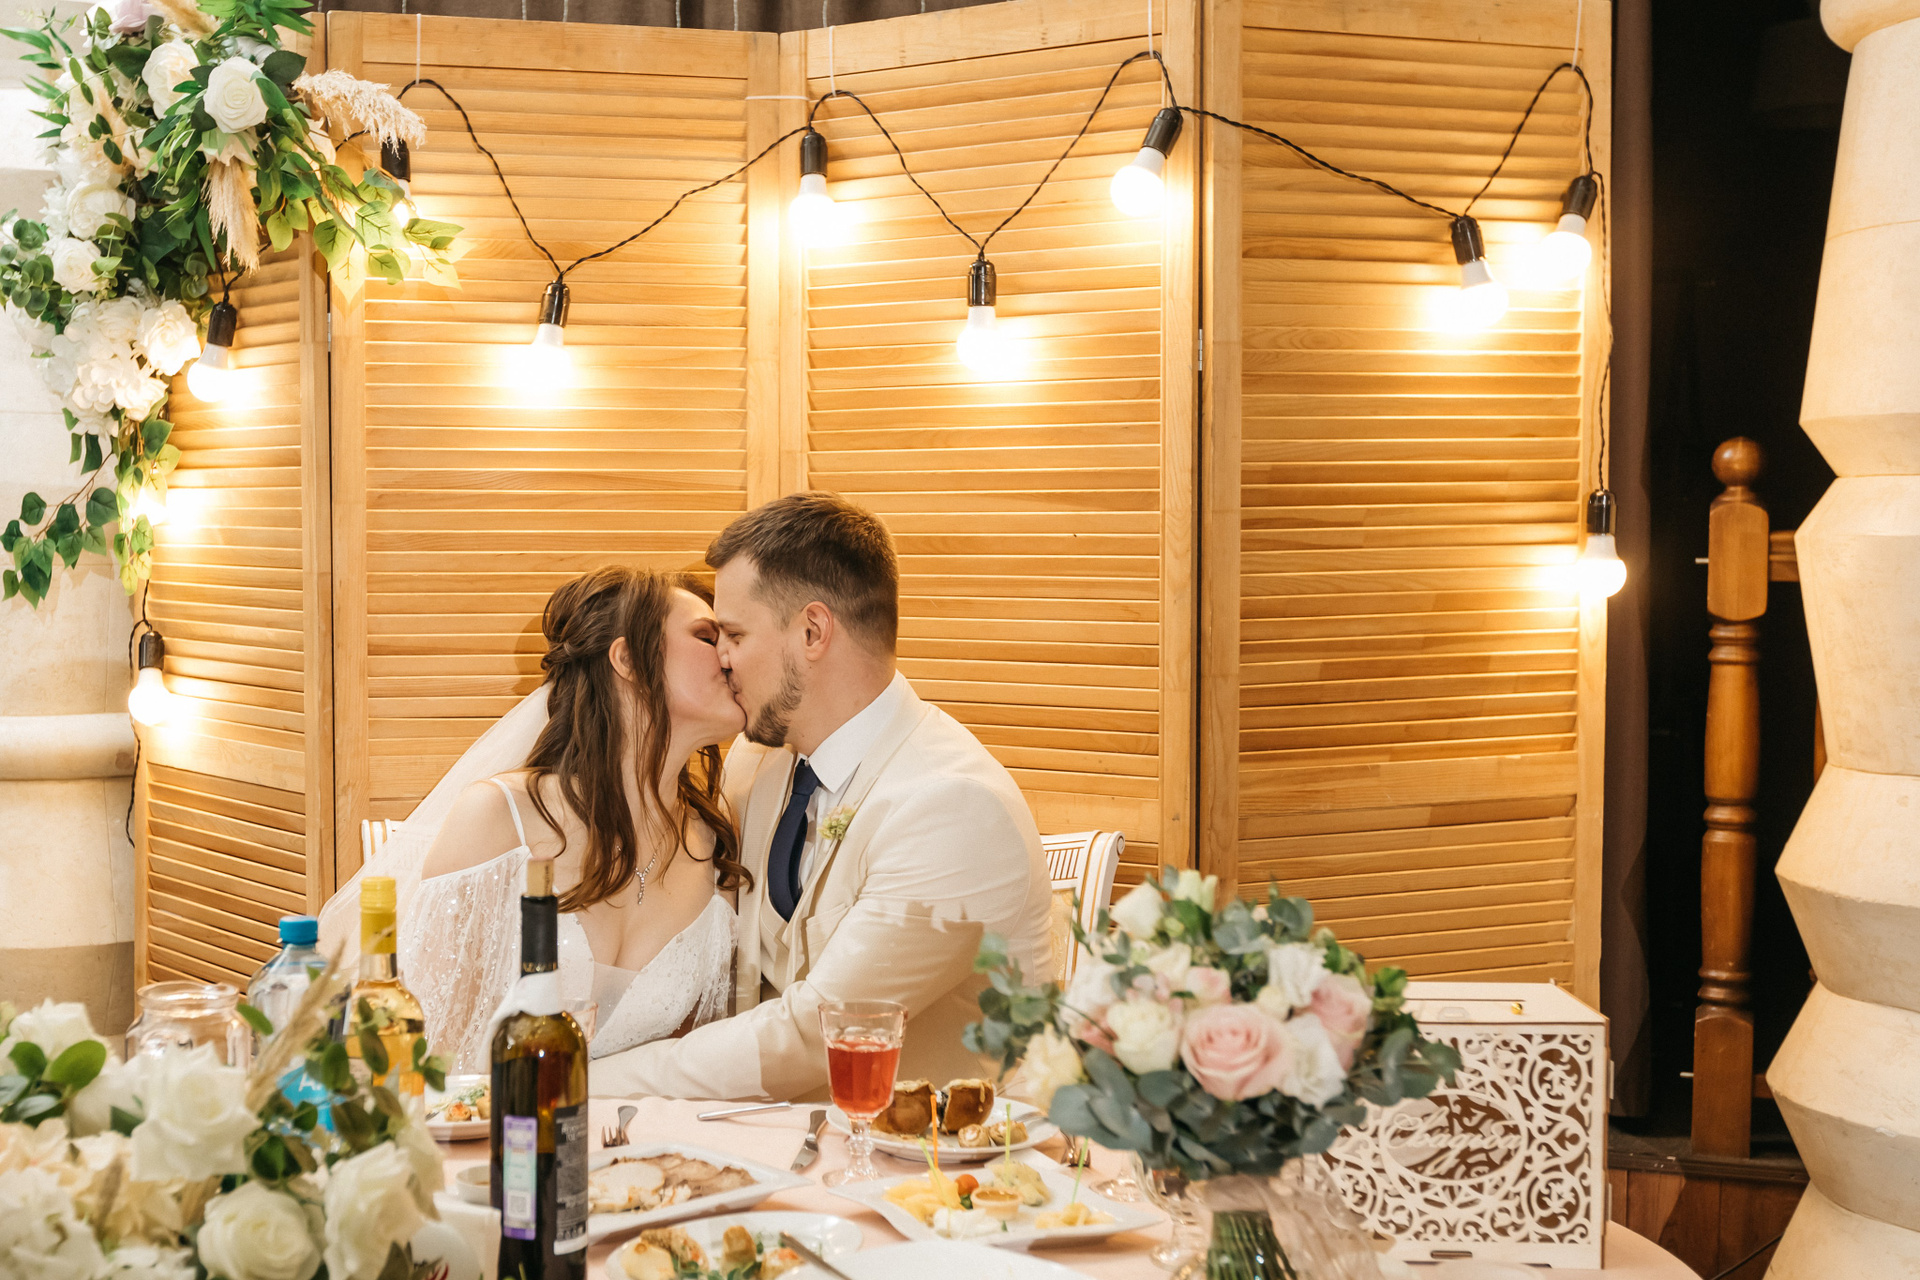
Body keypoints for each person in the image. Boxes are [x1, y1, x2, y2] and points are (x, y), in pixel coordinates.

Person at [592, 492, 1053, 1101]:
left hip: (930, 1149)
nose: (721, 660)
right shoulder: (755, 764)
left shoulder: (956, 809)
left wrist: (587, 1080)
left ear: (812, 631)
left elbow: (820, 1034)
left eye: (734, 634)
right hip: (760, 1137)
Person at [317, 567, 750, 1070]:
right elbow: (427, 1050)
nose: (729, 655)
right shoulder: (500, 819)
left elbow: (691, 1065)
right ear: (628, 659)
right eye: (706, 637)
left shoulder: (713, 845)